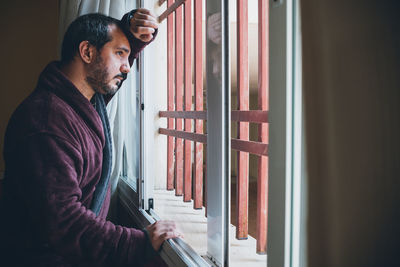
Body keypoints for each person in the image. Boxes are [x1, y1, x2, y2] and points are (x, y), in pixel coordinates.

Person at [0, 8, 180, 267]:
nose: (127, 68)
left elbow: (108, 80)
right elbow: (65, 222)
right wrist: (137, 242)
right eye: (120, 54)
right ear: (87, 52)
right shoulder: (46, 122)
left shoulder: (79, 102)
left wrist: (133, 32)